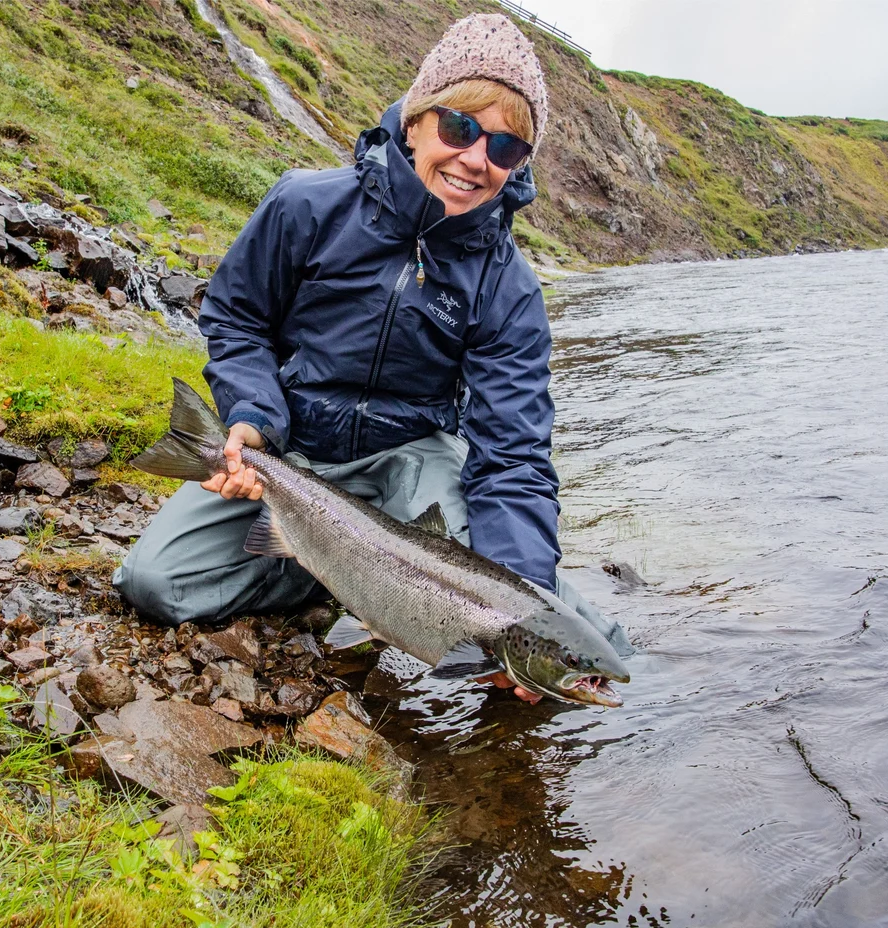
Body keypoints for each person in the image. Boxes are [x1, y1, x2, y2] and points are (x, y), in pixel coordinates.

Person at [113, 13, 630, 698]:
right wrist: (249, 419)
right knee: (154, 583)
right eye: (461, 128)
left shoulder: (509, 288)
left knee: (555, 629)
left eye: (505, 147)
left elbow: (513, 457)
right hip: (291, 446)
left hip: (412, 469)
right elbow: (238, 319)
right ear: (415, 121)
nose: (477, 158)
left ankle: (411, 590)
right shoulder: (305, 205)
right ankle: (337, 567)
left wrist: (523, 602)